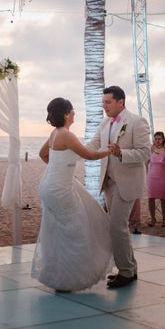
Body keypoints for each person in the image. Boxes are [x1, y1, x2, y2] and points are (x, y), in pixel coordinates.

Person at [30, 97, 113, 292]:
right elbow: (89, 156)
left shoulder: (54, 133)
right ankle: (69, 279)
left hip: (49, 186)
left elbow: (43, 154)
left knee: (57, 231)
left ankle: (58, 276)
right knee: (76, 229)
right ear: (66, 114)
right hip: (60, 189)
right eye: (73, 111)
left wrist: (60, 170)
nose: (75, 114)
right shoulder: (66, 135)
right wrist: (108, 151)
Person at [87, 86, 151, 289]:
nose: (104, 106)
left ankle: (125, 272)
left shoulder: (136, 122)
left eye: (108, 102)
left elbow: (145, 153)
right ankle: (130, 268)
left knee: (116, 226)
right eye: (103, 102)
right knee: (118, 227)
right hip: (108, 183)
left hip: (127, 182)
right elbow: (92, 145)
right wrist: (69, 151)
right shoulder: (105, 123)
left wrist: (120, 153)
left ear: (120, 102)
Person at [146, 131, 165, 227]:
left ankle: (164, 219)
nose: (157, 141)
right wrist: (146, 173)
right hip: (151, 176)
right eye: (156, 139)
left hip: (163, 176)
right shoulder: (150, 149)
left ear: (163, 139)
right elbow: (146, 162)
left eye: (159, 139)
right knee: (151, 198)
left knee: (163, 199)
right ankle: (153, 219)